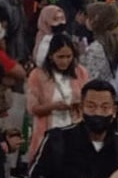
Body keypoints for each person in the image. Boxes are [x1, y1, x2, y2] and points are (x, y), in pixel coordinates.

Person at [27, 34, 89, 162]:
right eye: (60, 57)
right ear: (51, 56)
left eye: (68, 57)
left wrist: (79, 104)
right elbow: (33, 109)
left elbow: (88, 100)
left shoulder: (81, 73)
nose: (65, 61)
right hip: (47, 132)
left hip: (73, 132)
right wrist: (54, 106)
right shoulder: (37, 75)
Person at [83, 3, 118, 83]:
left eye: (89, 18)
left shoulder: (96, 47)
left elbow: (89, 76)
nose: (86, 20)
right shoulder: (116, 40)